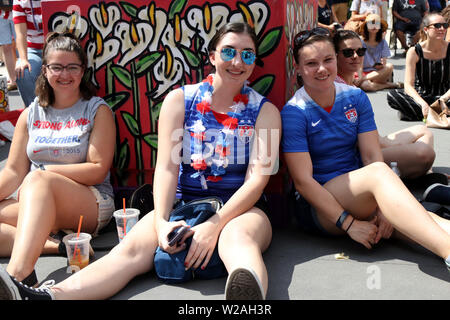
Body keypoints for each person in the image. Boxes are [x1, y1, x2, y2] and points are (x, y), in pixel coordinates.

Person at [0, 22, 281, 300]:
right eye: (229, 51)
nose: (237, 61)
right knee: (127, 253)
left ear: (254, 60)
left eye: (247, 54)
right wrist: (160, 221)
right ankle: (47, 296)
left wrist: (215, 224)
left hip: (244, 211)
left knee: (237, 241)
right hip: (182, 205)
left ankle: (247, 299)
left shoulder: (267, 113)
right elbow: (167, 168)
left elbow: (257, 181)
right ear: (212, 56)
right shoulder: (179, 101)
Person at [281, 28, 450, 272]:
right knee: (381, 174)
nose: (321, 69)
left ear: (335, 60)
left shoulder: (355, 97)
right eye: (311, 63)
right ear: (297, 67)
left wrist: (382, 210)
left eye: (328, 60)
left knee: (423, 222)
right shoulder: (294, 112)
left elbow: (371, 155)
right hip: (320, 208)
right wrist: (349, 224)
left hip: (362, 194)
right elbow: (304, 182)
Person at [0, 31, 116, 291]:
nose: (65, 75)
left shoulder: (97, 110)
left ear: (83, 70)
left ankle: (19, 277)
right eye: (57, 67)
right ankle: (56, 245)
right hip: (39, 197)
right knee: (35, 182)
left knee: (38, 179)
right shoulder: (30, 114)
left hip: (90, 200)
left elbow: (98, 170)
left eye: (72, 67)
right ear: (45, 70)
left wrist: (46, 171)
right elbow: (13, 172)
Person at [334, 29, 435, 179]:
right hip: (361, 156)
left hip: (374, 143)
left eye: (361, 51)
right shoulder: (338, 89)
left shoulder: (352, 88)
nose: (356, 56)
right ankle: (422, 172)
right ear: (335, 56)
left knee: (424, 131)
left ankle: (424, 172)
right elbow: (361, 142)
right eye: (348, 52)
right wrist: (398, 146)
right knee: (424, 153)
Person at [387, 12, 450, 121]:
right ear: (426, 29)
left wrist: (442, 100)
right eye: (436, 26)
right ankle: (438, 113)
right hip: (422, 96)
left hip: (445, 96)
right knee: (392, 95)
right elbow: (408, 85)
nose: (441, 29)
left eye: (444, 26)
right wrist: (422, 104)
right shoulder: (414, 51)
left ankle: (419, 114)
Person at [358, 14, 403, 92]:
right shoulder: (360, 42)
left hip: (377, 73)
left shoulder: (383, 42)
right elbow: (359, 64)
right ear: (366, 26)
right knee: (366, 86)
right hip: (363, 72)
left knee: (390, 66)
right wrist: (360, 76)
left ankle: (367, 81)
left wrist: (381, 66)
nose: (374, 26)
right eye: (371, 23)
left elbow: (384, 64)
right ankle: (391, 85)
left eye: (377, 23)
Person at [13, 0, 43, 107]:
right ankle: (35, 112)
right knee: (23, 72)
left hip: (58, 46)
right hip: (34, 49)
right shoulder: (19, 2)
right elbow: (20, 34)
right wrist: (24, 59)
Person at [0, 7, 17, 91]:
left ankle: (29, 77)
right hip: (1, 13)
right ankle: (13, 80)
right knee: (6, 46)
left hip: (18, 8)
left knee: (23, 43)